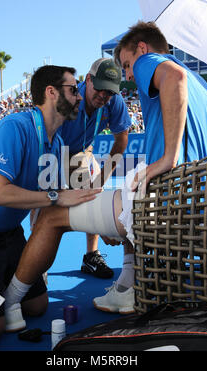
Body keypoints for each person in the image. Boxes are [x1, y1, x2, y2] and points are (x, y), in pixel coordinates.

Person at [3, 21, 207, 328]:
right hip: (201, 215)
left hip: (165, 204)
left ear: (141, 48)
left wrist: (168, 158)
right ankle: (126, 284)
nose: (128, 75)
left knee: (52, 217)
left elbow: (175, 76)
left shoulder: (151, 63)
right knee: (128, 188)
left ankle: (8, 301)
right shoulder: (205, 88)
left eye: (126, 65)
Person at [0, 65, 101, 350]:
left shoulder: (55, 143)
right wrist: (57, 196)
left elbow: (53, 205)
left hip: (9, 233)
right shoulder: (15, 127)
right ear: (51, 92)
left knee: (38, 306)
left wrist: (98, 221)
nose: (80, 96)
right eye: (73, 89)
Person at [59, 58, 131, 279]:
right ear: (88, 79)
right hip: (51, 149)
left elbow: (121, 142)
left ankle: (91, 256)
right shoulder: (66, 98)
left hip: (81, 151)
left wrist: (99, 182)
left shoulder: (114, 102)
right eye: (99, 89)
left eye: (109, 92)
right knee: (45, 204)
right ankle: (38, 266)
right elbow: (47, 136)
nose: (103, 96)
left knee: (93, 197)